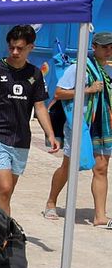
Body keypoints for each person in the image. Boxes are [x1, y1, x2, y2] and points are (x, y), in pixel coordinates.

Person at [0, 24, 59, 215]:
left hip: (21, 140)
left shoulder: (35, 74)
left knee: (6, 193)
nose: (15, 52)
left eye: (20, 48)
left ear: (31, 47)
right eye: (11, 47)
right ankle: (4, 235)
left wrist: (50, 134)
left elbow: (39, 106)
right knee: (4, 188)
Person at [44, 29, 112, 226]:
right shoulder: (79, 67)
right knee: (68, 166)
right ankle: (51, 202)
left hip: (102, 125)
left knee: (101, 168)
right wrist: (88, 90)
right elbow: (58, 93)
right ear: (94, 47)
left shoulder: (107, 69)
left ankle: (100, 216)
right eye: (104, 47)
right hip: (81, 124)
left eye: (111, 47)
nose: (108, 51)